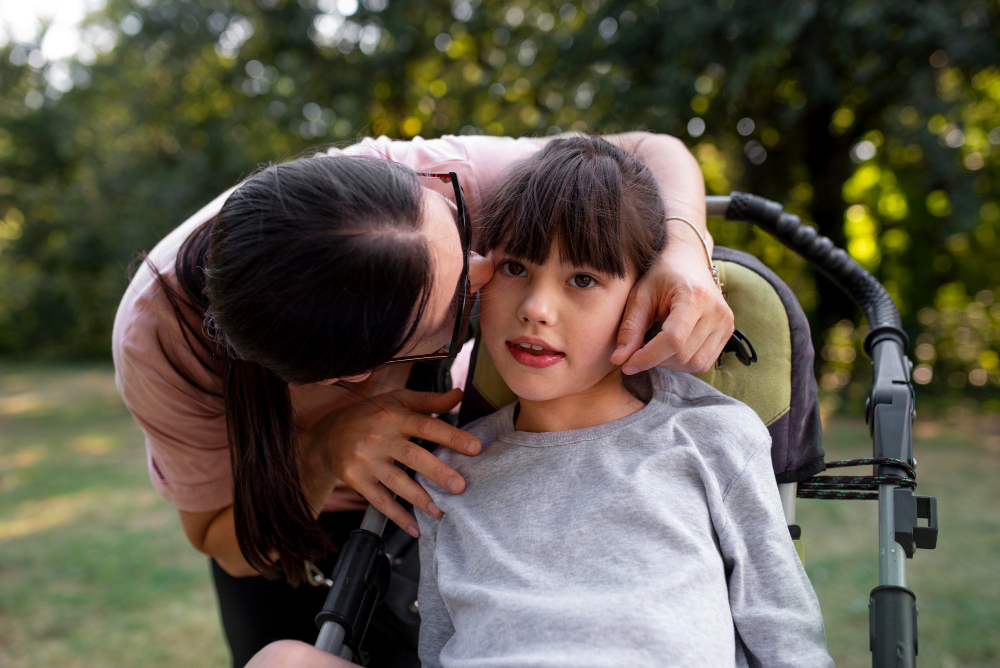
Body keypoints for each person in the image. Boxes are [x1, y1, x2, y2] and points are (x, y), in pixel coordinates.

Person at [112, 132, 734, 667]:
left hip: (437, 480)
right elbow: (220, 536)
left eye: (462, 232)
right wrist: (326, 452)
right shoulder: (158, 342)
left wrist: (685, 245)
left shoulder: (422, 187)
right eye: (463, 293)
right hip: (288, 524)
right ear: (363, 373)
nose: (491, 270)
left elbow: (650, 150)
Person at [412, 137, 834, 667]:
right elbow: (436, 648)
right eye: (515, 268)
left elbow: (786, 638)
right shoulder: (447, 474)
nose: (537, 309)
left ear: (645, 299)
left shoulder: (712, 438)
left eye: (582, 279)